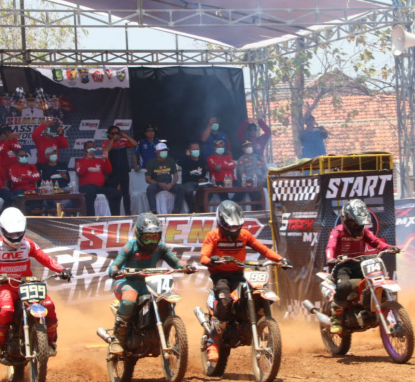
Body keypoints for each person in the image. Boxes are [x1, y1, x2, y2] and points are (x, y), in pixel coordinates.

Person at [200, 200, 291, 361]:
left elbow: (263, 249)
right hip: (221, 277)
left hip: (240, 274)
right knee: (226, 302)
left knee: (259, 294)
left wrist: (280, 259)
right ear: (220, 222)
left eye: (236, 226)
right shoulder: (212, 236)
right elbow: (204, 256)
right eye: (229, 226)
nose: (233, 230)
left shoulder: (245, 235)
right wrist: (210, 260)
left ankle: (258, 325)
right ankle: (213, 342)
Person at [0, 207, 72, 358]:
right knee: (6, 311)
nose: (15, 237)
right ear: (3, 230)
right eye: (11, 234)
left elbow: (45, 258)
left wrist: (62, 269)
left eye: (18, 233)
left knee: (48, 305)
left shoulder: (28, 244)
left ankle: (50, 343)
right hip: (8, 286)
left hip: (28, 285)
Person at [107, 213, 196, 355]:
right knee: (129, 300)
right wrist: (114, 271)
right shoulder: (130, 246)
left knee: (165, 299)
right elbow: (115, 265)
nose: (151, 241)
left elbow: (175, 261)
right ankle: (117, 340)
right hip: (128, 281)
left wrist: (186, 267)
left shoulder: (160, 247)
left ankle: (161, 332)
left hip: (149, 283)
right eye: (147, 237)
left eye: (154, 237)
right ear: (139, 234)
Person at [325, 199, 399, 334]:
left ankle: (378, 309)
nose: (357, 226)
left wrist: (389, 248)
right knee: (344, 286)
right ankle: (336, 318)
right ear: (346, 220)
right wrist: (331, 259)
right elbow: (331, 247)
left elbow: (376, 242)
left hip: (359, 264)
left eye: (359, 223)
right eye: (354, 223)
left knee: (376, 280)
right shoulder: (338, 231)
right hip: (342, 267)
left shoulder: (363, 231)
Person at [75, 141, 122, 216]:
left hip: (99, 187)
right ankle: (90, 217)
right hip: (86, 187)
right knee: (90, 192)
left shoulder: (99, 161)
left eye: (93, 147)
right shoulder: (80, 161)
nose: (91, 148)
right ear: (84, 150)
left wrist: (106, 159)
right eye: (89, 147)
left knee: (116, 193)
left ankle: (115, 216)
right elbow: (80, 173)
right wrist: (87, 160)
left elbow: (108, 171)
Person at [102, 125, 137, 215]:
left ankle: (128, 213)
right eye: (113, 133)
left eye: (117, 133)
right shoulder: (106, 143)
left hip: (124, 171)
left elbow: (134, 144)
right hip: (112, 173)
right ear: (109, 134)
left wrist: (125, 136)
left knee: (126, 194)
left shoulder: (123, 142)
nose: (115, 135)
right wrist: (113, 139)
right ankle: (115, 214)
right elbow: (106, 150)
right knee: (114, 194)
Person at [145, 142, 185, 214]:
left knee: (181, 188)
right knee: (150, 189)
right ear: (157, 152)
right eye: (162, 150)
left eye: (165, 150)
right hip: (157, 183)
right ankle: (153, 210)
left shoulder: (171, 161)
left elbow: (176, 176)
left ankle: (176, 211)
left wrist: (172, 183)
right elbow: (147, 179)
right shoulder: (151, 162)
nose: (164, 152)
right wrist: (158, 184)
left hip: (168, 183)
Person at [236, 140, 267, 210]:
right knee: (254, 192)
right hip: (249, 181)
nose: (248, 147)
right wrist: (254, 180)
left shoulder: (259, 157)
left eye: (250, 145)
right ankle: (257, 209)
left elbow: (265, 170)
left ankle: (277, 207)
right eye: (246, 146)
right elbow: (241, 174)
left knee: (273, 186)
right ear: (243, 149)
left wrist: (263, 179)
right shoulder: (241, 159)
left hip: (262, 180)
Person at [177, 142, 208, 212]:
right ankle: (192, 208)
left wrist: (204, 179)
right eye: (194, 149)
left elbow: (206, 174)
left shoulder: (202, 161)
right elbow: (178, 164)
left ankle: (201, 207)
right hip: (189, 182)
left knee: (210, 189)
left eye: (198, 149)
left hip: (200, 183)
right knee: (188, 191)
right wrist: (186, 155)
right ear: (189, 151)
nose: (196, 150)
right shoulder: (185, 160)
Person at [40, 147, 71, 214]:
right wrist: (54, 188)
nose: (54, 155)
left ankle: (63, 214)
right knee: (46, 201)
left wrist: (65, 177)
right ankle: (57, 213)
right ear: (47, 156)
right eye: (52, 154)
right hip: (51, 190)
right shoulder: (45, 167)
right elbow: (45, 182)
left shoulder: (62, 165)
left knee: (69, 199)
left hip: (63, 189)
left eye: (55, 153)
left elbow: (68, 180)